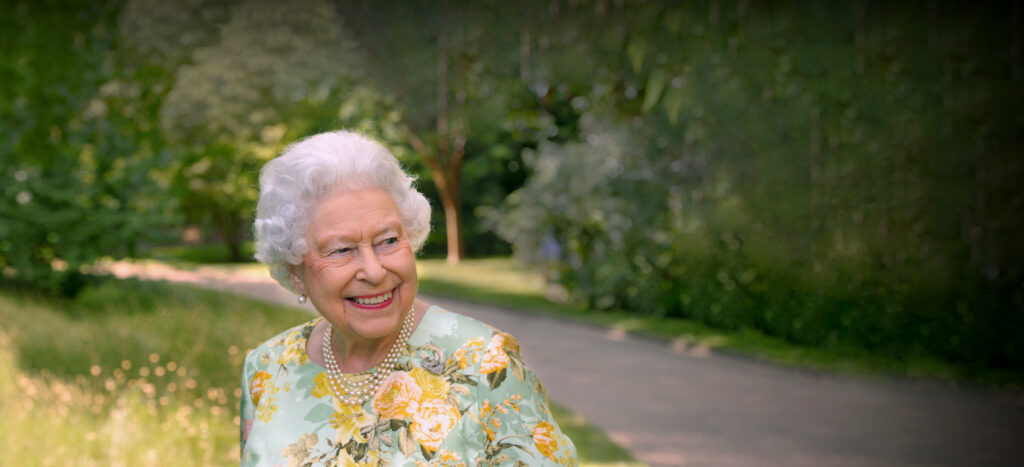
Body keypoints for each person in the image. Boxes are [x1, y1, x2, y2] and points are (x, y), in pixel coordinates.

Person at [241, 130, 577, 466]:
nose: (374, 271)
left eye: (388, 241)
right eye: (341, 250)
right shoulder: (267, 368)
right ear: (296, 273)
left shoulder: (486, 363)